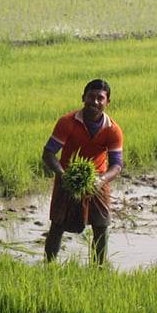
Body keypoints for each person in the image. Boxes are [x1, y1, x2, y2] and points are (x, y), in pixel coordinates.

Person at [41, 78, 124, 264]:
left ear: (107, 102)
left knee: (101, 226)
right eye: (91, 96)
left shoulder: (113, 130)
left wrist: (100, 181)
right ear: (83, 98)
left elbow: (117, 165)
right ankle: (49, 266)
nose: (95, 101)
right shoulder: (67, 122)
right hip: (67, 177)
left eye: (100, 98)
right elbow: (48, 153)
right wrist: (63, 176)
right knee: (58, 224)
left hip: (97, 179)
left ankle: (98, 268)